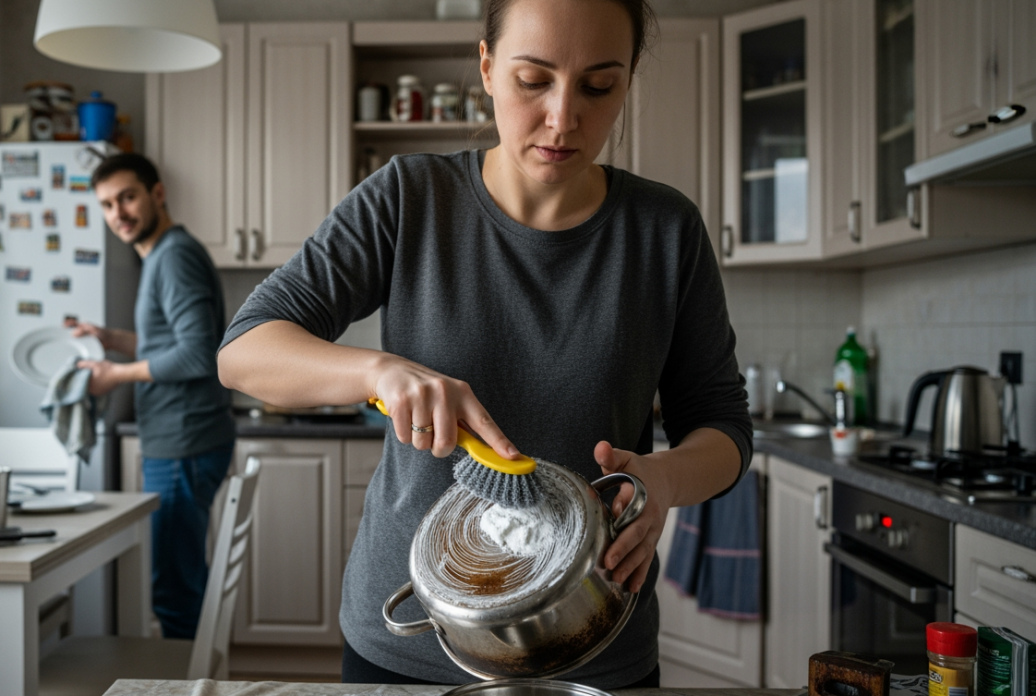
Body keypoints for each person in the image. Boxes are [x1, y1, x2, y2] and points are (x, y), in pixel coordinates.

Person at [217, 0, 751, 688]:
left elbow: (724, 426)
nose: (564, 118)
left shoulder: (665, 230)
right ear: (488, 67)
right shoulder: (408, 199)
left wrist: (663, 480)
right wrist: (380, 372)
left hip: (593, 643)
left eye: (598, 85)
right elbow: (244, 351)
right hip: (411, 645)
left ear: (627, 82)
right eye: (534, 80)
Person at [69, 153, 236, 639]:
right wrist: (109, 338)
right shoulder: (164, 254)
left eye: (127, 197)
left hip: (184, 439)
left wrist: (116, 376)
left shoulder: (173, 256)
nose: (117, 213)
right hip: (182, 438)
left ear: (156, 194)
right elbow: (169, 344)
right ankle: (201, 677)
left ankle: (189, 686)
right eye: (106, 205)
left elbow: (200, 355)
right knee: (180, 579)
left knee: (173, 591)